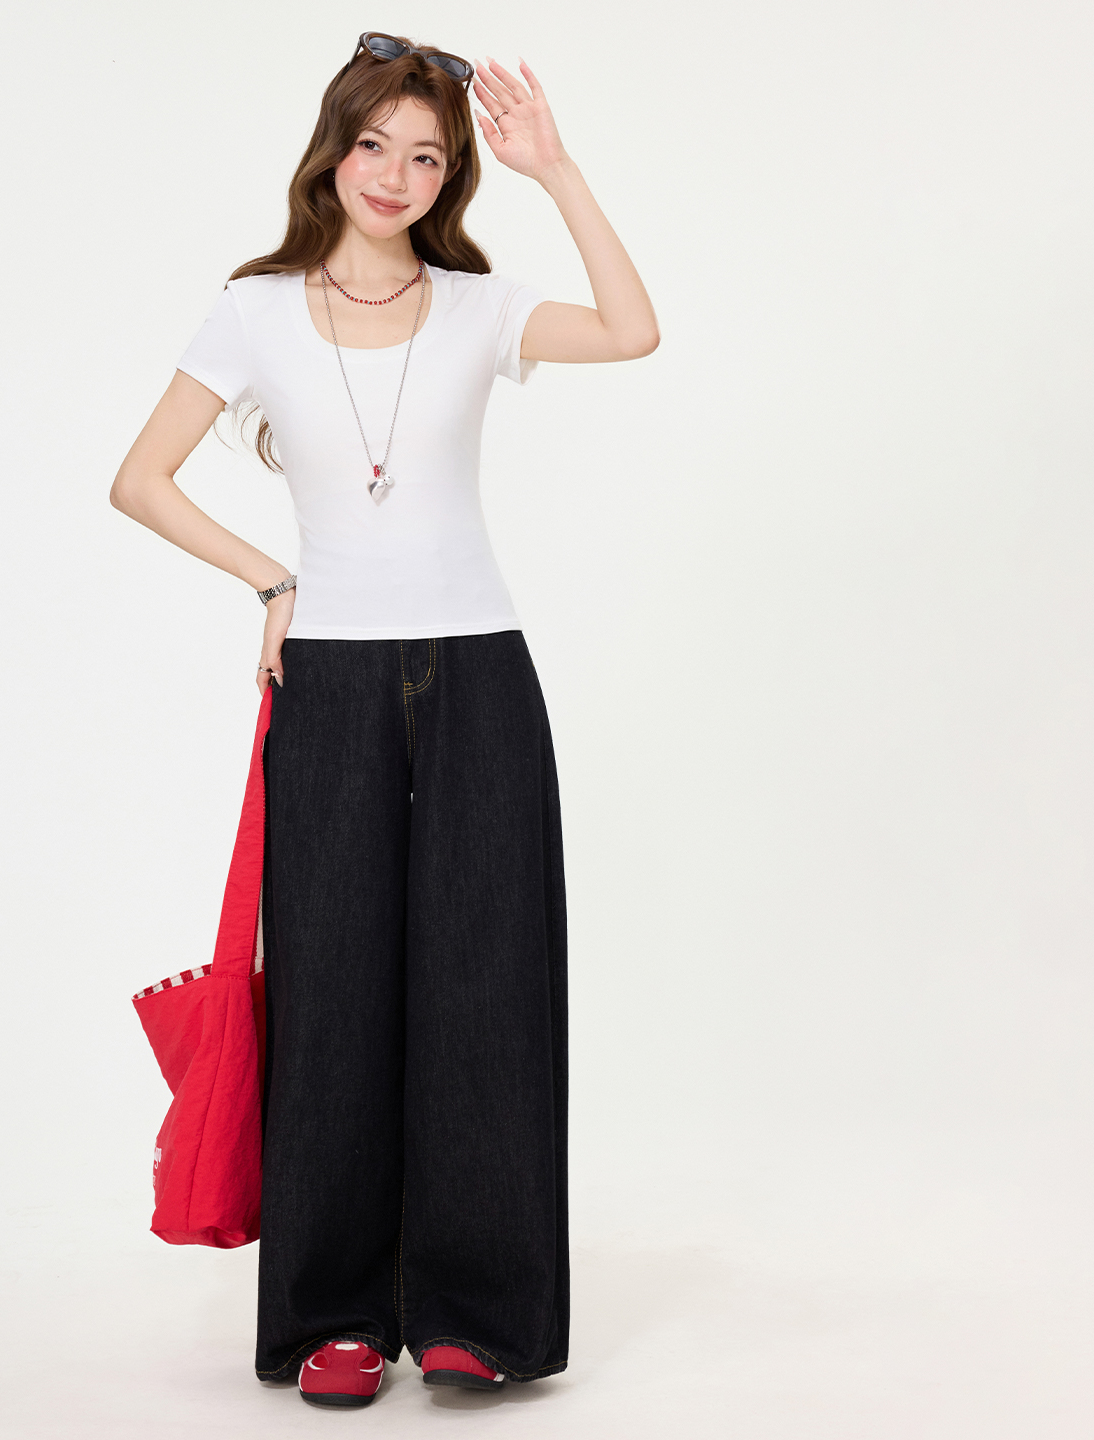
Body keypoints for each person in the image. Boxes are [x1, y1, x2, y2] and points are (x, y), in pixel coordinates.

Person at [111, 33, 659, 1409]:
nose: (396, 175)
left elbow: (633, 330)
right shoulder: (255, 310)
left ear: (449, 174)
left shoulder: (479, 306)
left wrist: (556, 170)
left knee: (486, 990)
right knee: (332, 998)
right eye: (375, 146)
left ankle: (478, 1315)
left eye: (426, 155)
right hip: (332, 685)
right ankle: (334, 1318)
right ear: (334, 151)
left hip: (479, 676)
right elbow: (141, 478)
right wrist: (272, 582)